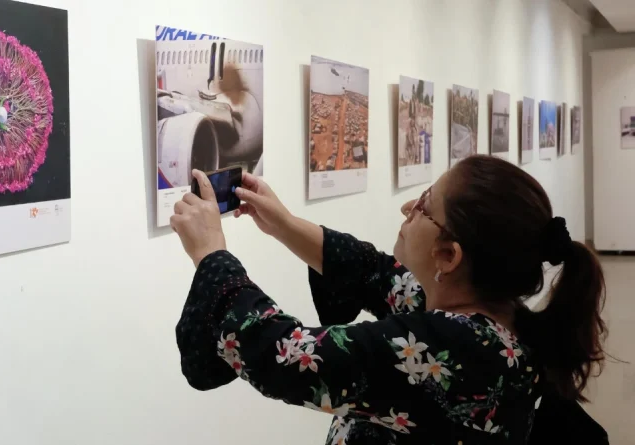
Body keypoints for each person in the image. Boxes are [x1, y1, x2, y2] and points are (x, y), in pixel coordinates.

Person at [171, 155, 607, 444]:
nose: (406, 210)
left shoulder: (455, 349)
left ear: (449, 255)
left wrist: (210, 252)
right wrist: (283, 223)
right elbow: (371, 272)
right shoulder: (486, 318)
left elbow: (287, 358)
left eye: (424, 206)